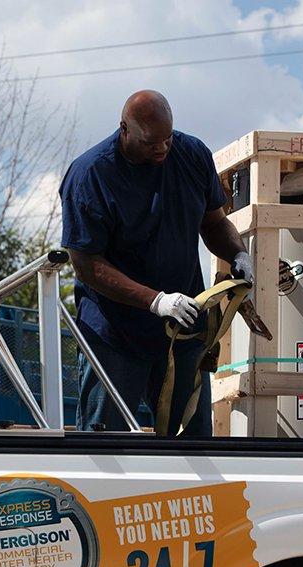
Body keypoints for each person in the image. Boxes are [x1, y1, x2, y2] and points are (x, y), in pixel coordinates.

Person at [60, 90, 252, 436]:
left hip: (182, 329)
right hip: (115, 334)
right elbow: (87, 265)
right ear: (125, 130)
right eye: (151, 143)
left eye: (167, 139)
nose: (162, 149)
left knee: (193, 442)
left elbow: (214, 222)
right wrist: (156, 300)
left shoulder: (191, 154)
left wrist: (238, 253)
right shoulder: (90, 175)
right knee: (106, 443)